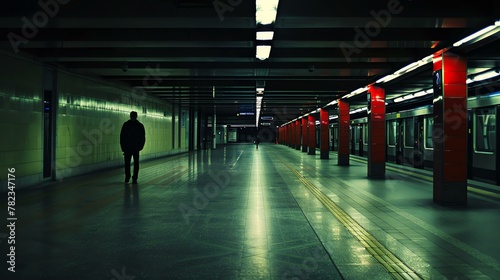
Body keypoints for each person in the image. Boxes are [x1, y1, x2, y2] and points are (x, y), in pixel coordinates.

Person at [120, 111, 146, 184]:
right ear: (136, 116)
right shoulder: (140, 126)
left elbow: (122, 137)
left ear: (130, 116)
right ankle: (135, 178)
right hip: (135, 148)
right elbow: (142, 137)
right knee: (136, 163)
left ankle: (127, 177)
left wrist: (123, 147)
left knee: (127, 163)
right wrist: (140, 147)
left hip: (127, 148)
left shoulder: (126, 125)